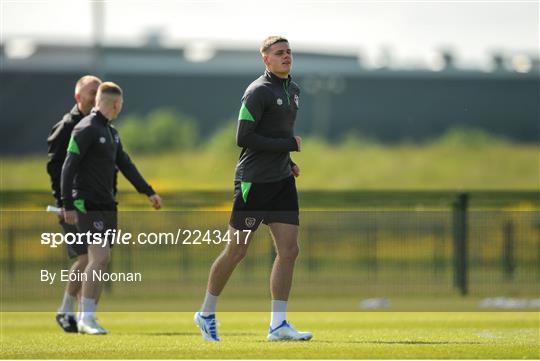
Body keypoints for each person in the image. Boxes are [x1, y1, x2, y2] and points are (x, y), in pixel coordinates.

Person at [194, 36, 312, 342]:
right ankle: (206, 313)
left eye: (288, 52)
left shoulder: (294, 90)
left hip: (281, 180)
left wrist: (287, 161)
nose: (286, 56)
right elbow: (243, 137)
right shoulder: (257, 91)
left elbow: (276, 134)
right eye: (279, 53)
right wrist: (288, 146)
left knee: (289, 250)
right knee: (237, 250)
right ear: (266, 59)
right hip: (254, 182)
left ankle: (278, 325)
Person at [61, 82, 162, 335]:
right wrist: (67, 203)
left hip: (107, 205)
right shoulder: (85, 129)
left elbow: (125, 165)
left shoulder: (112, 132)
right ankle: (86, 318)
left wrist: (148, 191)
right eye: (120, 105)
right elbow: (68, 167)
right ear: (115, 104)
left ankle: (87, 316)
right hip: (88, 204)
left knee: (101, 261)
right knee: (100, 257)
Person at [46, 75, 101, 332]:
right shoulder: (69, 125)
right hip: (72, 205)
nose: (97, 95)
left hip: (91, 204)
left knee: (90, 258)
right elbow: (56, 167)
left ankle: (75, 314)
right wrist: (64, 203)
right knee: (86, 257)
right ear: (79, 97)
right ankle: (68, 312)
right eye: (92, 92)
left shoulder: (98, 126)